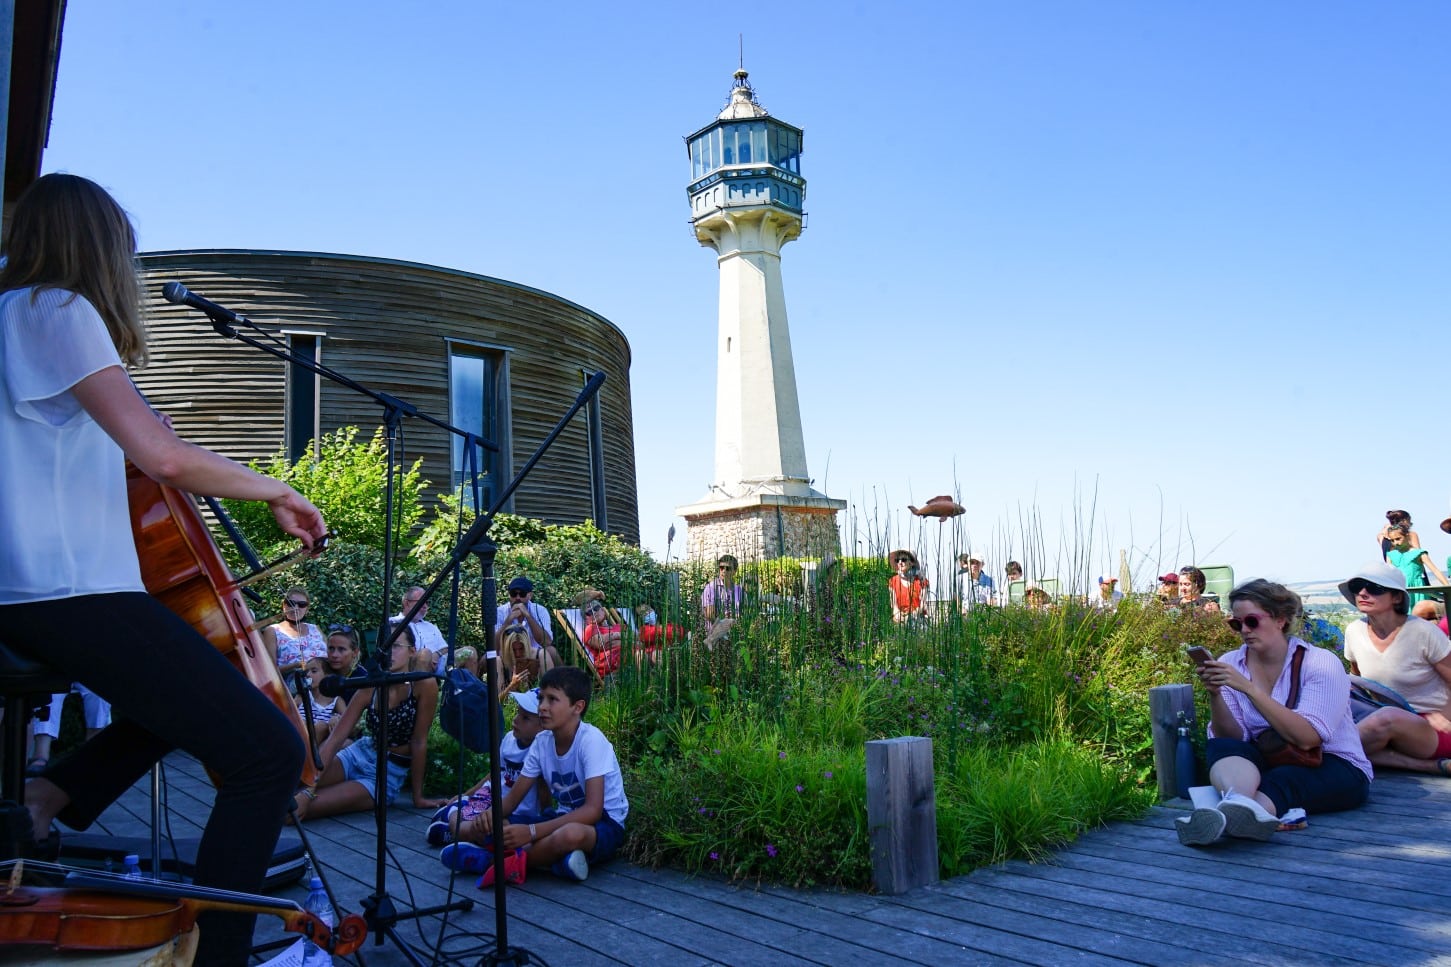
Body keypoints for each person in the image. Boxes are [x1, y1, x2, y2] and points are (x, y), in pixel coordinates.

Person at [0, 173, 325, 965]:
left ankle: (48, 795)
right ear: (98, 247)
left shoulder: (10, 315)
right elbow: (162, 457)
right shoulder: (59, 309)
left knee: (196, 692)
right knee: (269, 753)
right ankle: (218, 956)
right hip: (68, 589)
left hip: (30, 589)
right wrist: (277, 487)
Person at [1176, 579, 1370, 846]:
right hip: (1272, 756)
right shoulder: (1231, 663)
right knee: (1221, 747)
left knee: (1282, 781)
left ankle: (1218, 816)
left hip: (1333, 762)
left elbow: (1308, 738)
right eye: (1237, 623)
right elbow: (1232, 737)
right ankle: (1238, 809)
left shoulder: (1320, 663)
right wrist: (1216, 693)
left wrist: (1249, 689)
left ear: (1281, 620)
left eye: (1252, 621)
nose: (1244, 630)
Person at [442, 666, 628, 883]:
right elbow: (512, 800)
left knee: (570, 835)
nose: (543, 707)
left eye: (552, 700)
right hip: (561, 817)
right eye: (541, 699)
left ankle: (492, 863)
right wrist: (490, 816)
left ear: (577, 707)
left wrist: (531, 832)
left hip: (604, 825)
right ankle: (556, 861)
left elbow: (593, 811)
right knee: (482, 828)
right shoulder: (542, 743)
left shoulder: (591, 741)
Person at [294, 621, 447, 819]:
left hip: (385, 774)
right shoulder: (370, 685)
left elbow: (419, 741)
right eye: (385, 647)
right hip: (358, 754)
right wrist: (308, 790)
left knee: (301, 809)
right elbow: (336, 739)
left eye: (396, 646)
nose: (389, 653)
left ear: (412, 651)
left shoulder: (423, 685)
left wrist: (418, 797)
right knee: (291, 786)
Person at [1339, 562, 1451, 777]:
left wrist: (1445, 714)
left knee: (1387, 718)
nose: (1363, 593)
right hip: (1379, 719)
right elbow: (1358, 680)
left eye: (1374, 588)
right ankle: (1432, 767)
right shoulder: (1354, 631)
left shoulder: (1422, 631)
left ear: (1397, 598)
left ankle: (1313, 756)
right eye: (1358, 587)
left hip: (1432, 726)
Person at [429, 687, 548, 852]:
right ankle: (458, 821)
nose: (516, 719)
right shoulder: (509, 740)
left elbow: (544, 795)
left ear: (543, 727)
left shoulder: (541, 751)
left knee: (494, 830)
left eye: (525, 718)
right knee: (470, 813)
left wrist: (541, 822)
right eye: (518, 713)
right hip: (492, 798)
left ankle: (454, 828)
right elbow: (495, 773)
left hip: (519, 812)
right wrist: (468, 794)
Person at [263, 586, 327, 678]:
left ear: (307, 609)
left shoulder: (315, 629)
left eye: (302, 604)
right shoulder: (273, 631)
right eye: (291, 603)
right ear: (284, 605)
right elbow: (269, 670)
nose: (296, 608)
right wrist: (296, 665)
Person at [496, 576, 560, 667]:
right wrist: (508, 621)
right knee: (486, 658)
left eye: (522, 594)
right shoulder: (500, 612)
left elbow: (547, 642)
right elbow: (493, 645)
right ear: (509, 595)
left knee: (551, 651)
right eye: (513, 594)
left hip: (534, 653)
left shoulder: (540, 610)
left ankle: (564, 680)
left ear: (530, 595)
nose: (518, 598)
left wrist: (528, 616)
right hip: (507, 654)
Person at [392, 585, 448, 674]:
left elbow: (445, 648)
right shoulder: (394, 623)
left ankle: (467, 687)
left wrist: (437, 655)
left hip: (440, 664)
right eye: (422, 602)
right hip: (410, 667)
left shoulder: (430, 626)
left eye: (427, 603)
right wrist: (426, 657)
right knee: (424, 655)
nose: (425, 606)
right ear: (407, 603)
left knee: (469, 652)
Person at [1384, 527, 1448, 603]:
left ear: (1407, 536)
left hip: (1418, 588)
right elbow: (1388, 575)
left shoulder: (1418, 553)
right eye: (1392, 540)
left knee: (1420, 611)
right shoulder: (1391, 555)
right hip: (1401, 589)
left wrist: (1447, 587)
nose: (1395, 543)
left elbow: (1435, 570)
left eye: (1398, 539)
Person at [296, 656, 343, 745]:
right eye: (306, 672)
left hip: (320, 741)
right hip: (300, 734)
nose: (308, 675)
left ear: (327, 676)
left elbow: (346, 718)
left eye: (314, 671)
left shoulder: (336, 700)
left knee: (322, 726)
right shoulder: (302, 696)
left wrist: (336, 717)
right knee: (302, 722)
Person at [701, 554, 745, 635]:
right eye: (721, 568)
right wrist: (725, 628)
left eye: (727, 568)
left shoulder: (739, 590)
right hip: (714, 634)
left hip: (736, 633)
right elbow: (709, 614)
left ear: (735, 571)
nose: (723, 571)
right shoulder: (711, 588)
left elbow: (744, 612)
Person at [500, 624, 552, 690]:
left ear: (527, 645)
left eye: (521, 648)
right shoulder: (500, 661)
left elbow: (551, 690)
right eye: (513, 650)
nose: (517, 654)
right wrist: (511, 686)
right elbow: (496, 699)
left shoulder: (541, 655)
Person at [887, 549, 929, 623]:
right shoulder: (893, 581)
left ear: (912, 563)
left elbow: (923, 604)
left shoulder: (921, 581)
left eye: (903, 559)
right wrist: (898, 615)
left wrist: (911, 616)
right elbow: (894, 606)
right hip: (900, 619)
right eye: (897, 560)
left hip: (918, 618)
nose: (900, 563)